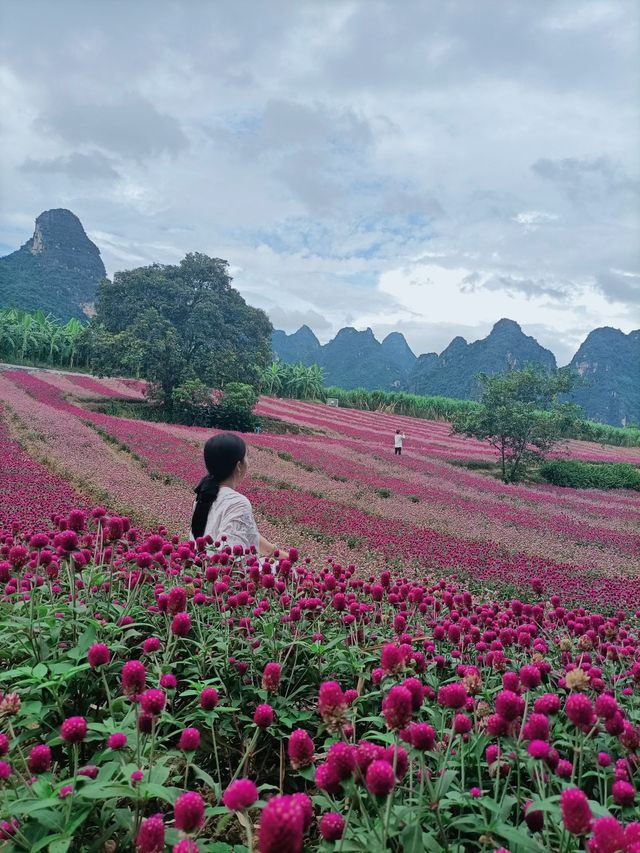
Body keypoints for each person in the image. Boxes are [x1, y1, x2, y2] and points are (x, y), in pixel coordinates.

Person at [190, 433, 278, 557]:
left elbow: (244, 531)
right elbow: (231, 555)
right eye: (246, 457)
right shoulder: (238, 502)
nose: (248, 462)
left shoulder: (203, 496)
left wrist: (276, 552)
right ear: (238, 466)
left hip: (199, 569)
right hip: (222, 572)